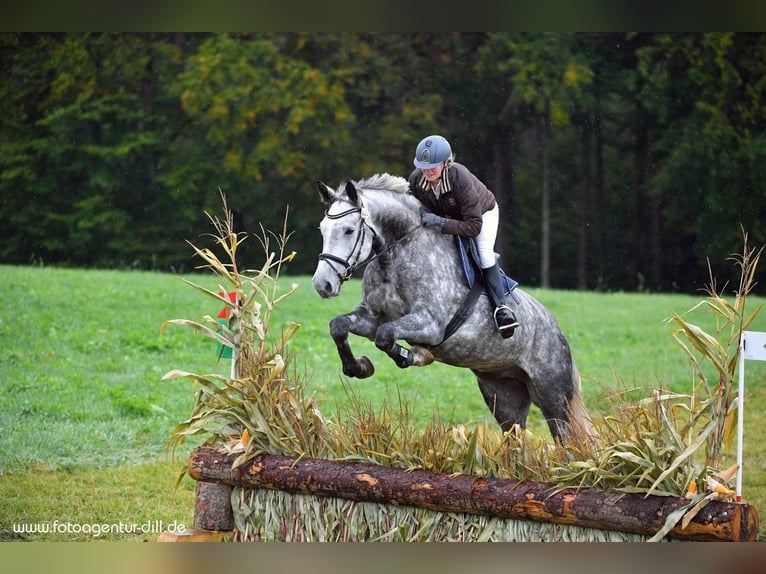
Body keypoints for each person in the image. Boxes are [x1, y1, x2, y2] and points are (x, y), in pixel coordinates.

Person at [408, 134, 519, 338]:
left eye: (433, 166)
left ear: (446, 163)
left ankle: (502, 310)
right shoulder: (416, 179)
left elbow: (473, 226)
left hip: (481, 216)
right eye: (423, 166)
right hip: (448, 216)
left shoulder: (459, 177)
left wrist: (441, 222)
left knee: (484, 254)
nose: (427, 171)